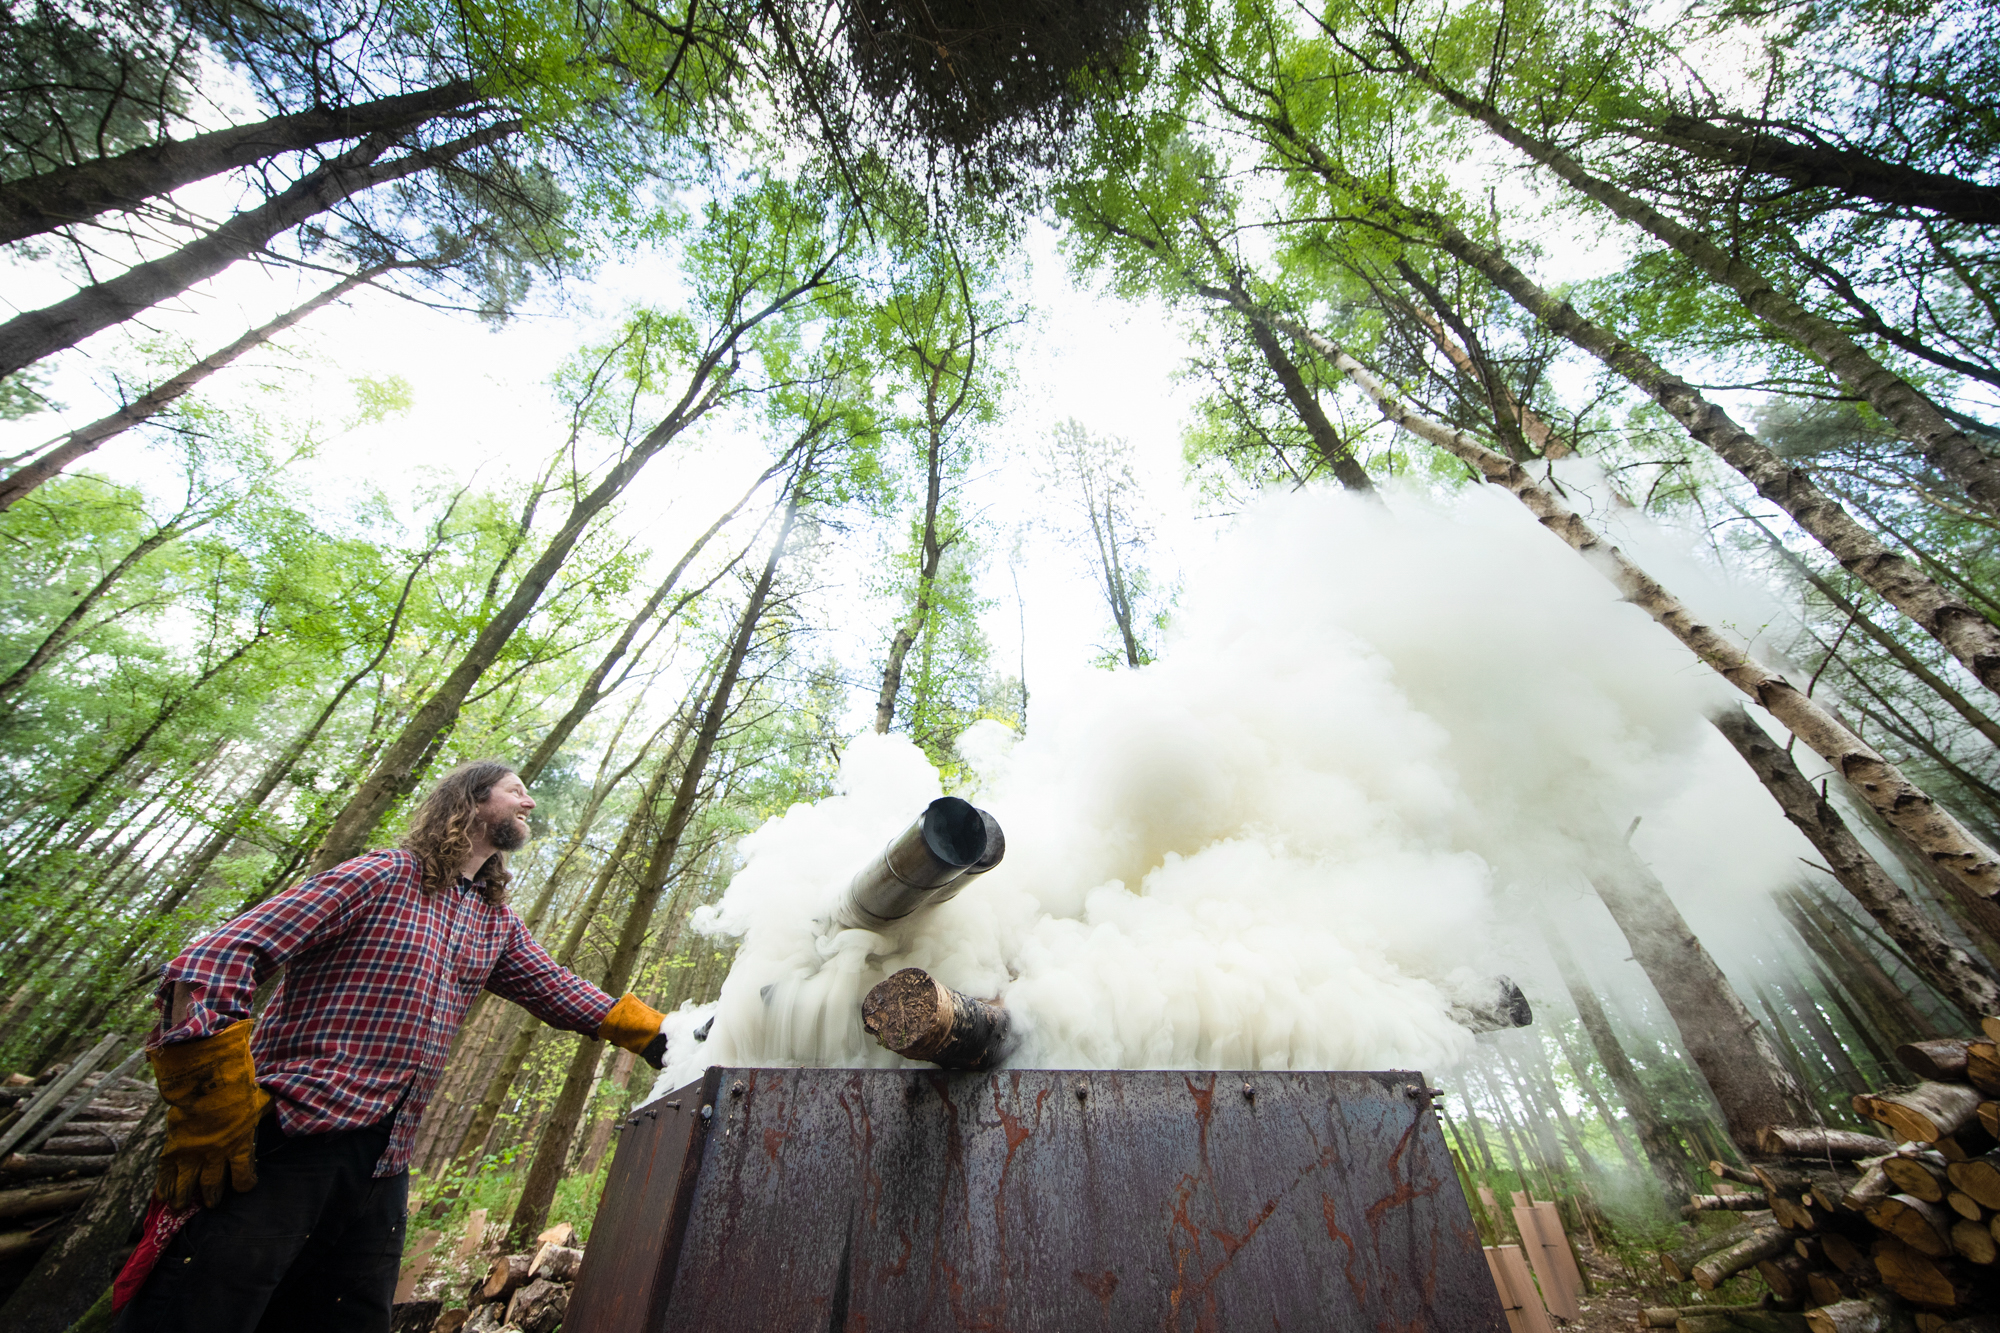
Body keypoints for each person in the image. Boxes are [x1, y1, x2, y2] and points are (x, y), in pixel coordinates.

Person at [114, 759, 669, 1332]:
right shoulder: (380, 874)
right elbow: (211, 961)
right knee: (203, 1312)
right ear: (472, 799)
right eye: (516, 791)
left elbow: (554, 987)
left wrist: (659, 1034)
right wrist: (213, 1104)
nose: (530, 804)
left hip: (386, 1163)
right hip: (289, 1139)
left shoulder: (494, 920)